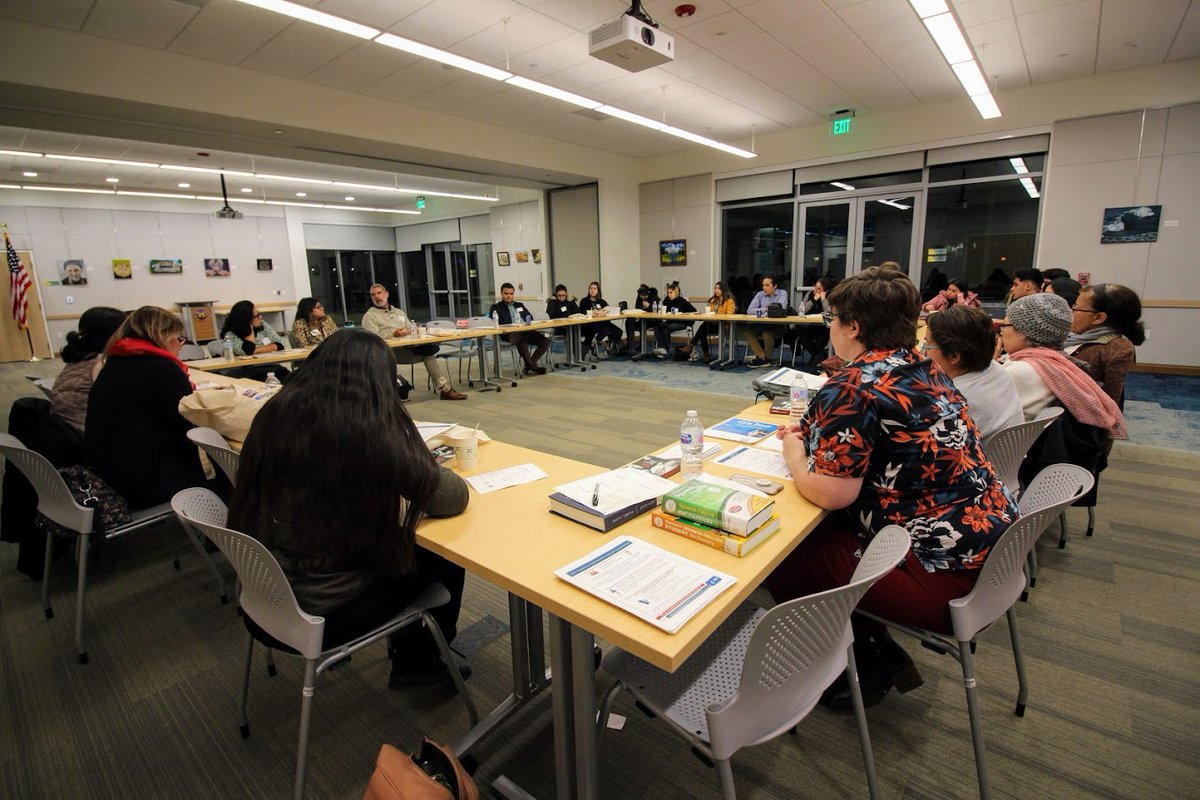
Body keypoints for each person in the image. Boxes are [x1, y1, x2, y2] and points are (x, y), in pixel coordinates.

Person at [763, 267, 1018, 709]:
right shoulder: (926, 369)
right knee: (826, 534)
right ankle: (870, 648)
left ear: (853, 327)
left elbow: (833, 493)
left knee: (782, 553)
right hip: (993, 550)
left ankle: (861, 661)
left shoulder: (853, 386)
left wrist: (794, 455)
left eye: (832, 319)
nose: (830, 329)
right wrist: (818, 432)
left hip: (938, 574)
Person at [228, 329, 472, 688]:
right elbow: (451, 498)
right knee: (443, 554)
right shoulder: (360, 429)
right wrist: (405, 439)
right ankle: (417, 661)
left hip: (265, 594)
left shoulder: (275, 411)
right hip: (326, 611)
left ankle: (415, 654)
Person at [84, 306, 213, 510]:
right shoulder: (162, 369)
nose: (180, 346)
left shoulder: (114, 363)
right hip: (147, 482)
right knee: (224, 461)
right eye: (179, 339)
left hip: (108, 473)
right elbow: (189, 423)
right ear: (163, 337)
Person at [998, 293, 1127, 438]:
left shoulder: (1020, 370)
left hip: (1005, 445)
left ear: (1023, 332)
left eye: (1005, 325)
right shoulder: (1055, 361)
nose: (1001, 332)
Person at [924, 306, 1023, 440]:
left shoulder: (953, 401)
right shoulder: (995, 368)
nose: (924, 353)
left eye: (927, 345)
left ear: (954, 356)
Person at [361, 284, 467, 399]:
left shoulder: (399, 313)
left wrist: (414, 331)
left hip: (407, 348)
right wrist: (392, 335)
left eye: (379, 293)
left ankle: (445, 389)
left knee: (428, 353)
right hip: (387, 353)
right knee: (428, 352)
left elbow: (409, 329)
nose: (376, 297)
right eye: (373, 295)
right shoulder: (370, 316)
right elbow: (371, 340)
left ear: (387, 294)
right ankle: (445, 390)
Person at [1063, 283, 1145, 407]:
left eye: (1076, 309)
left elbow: (1109, 401)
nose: (1071, 312)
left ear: (1099, 318)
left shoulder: (1116, 348)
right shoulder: (1074, 336)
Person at [50, 306, 126, 433]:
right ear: (113, 335)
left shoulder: (81, 357)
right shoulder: (101, 363)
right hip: (87, 433)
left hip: (68, 427)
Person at [488, 282, 548, 375]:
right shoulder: (496, 307)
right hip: (509, 333)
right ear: (501, 294)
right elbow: (495, 322)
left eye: (511, 294)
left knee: (545, 341)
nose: (509, 296)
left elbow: (529, 317)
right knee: (521, 341)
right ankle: (533, 366)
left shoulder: (519, 305)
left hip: (524, 331)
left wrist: (527, 321)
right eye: (506, 293)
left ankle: (530, 365)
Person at [678, 281, 734, 363]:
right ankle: (704, 353)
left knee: (703, 328)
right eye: (715, 288)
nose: (716, 290)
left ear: (724, 290)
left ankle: (694, 347)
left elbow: (729, 316)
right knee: (704, 328)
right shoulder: (713, 300)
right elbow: (710, 313)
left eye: (719, 288)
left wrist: (717, 315)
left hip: (723, 326)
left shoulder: (729, 301)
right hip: (713, 324)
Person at [742, 274, 790, 367]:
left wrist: (761, 310)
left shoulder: (782, 293)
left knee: (767, 334)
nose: (764, 288)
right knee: (748, 332)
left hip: (777, 326)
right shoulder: (760, 294)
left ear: (775, 286)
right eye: (763, 285)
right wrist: (766, 309)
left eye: (767, 285)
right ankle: (763, 358)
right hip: (761, 325)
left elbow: (780, 310)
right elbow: (750, 310)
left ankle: (765, 358)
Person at [221, 300, 288, 356]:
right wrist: (249, 330)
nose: (260, 317)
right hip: (248, 367)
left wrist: (257, 350)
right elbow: (246, 352)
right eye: (256, 316)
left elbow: (281, 343)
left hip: (269, 363)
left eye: (259, 314)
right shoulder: (230, 335)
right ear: (246, 319)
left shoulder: (262, 324)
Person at [578, 281, 622, 358]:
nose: (592, 290)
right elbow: (582, 313)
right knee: (605, 330)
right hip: (590, 324)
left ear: (598, 290)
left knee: (618, 331)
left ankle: (610, 347)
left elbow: (608, 309)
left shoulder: (601, 301)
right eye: (591, 288)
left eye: (595, 288)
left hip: (603, 323)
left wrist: (604, 312)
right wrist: (593, 313)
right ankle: (593, 344)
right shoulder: (584, 301)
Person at [652, 281, 696, 357]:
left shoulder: (682, 301)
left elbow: (694, 311)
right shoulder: (667, 300)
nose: (669, 295)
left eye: (671, 293)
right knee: (658, 327)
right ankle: (662, 349)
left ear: (676, 293)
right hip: (670, 321)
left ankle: (664, 350)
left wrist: (683, 314)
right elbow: (663, 309)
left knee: (667, 328)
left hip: (681, 322)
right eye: (668, 293)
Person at [624, 284, 657, 353]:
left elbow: (656, 311)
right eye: (641, 296)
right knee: (629, 321)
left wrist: (649, 306)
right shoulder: (639, 297)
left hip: (651, 320)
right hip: (640, 318)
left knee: (642, 323)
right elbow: (638, 308)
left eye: (644, 296)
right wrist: (636, 316)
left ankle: (642, 346)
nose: (642, 297)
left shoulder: (654, 297)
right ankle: (630, 345)